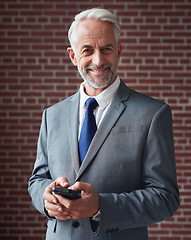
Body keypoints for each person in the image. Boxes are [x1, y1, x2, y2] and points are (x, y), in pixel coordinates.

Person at [28, 8, 179, 240]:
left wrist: (100, 206)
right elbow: (38, 179)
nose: (98, 61)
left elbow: (165, 197)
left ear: (118, 51)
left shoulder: (153, 113)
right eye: (87, 50)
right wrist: (45, 198)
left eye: (106, 49)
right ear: (73, 56)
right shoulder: (52, 115)